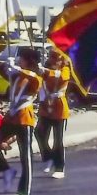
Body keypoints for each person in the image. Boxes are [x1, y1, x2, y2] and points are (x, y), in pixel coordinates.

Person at [0, 48, 43, 195]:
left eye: (21, 58)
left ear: (29, 61)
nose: (19, 60)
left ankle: (23, 193)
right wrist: (3, 65)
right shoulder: (17, 75)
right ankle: (6, 171)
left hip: (25, 119)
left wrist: (18, 69)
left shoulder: (35, 77)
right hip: (11, 117)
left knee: (25, 156)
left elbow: (34, 78)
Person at [36, 50, 71, 179]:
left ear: (62, 60)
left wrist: (45, 72)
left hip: (59, 108)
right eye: (52, 57)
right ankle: (48, 157)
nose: (53, 60)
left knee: (58, 139)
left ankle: (59, 167)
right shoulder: (46, 69)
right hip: (46, 105)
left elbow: (61, 77)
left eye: (57, 58)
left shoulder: (65, 69)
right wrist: (39, 71)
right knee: (39, 133)